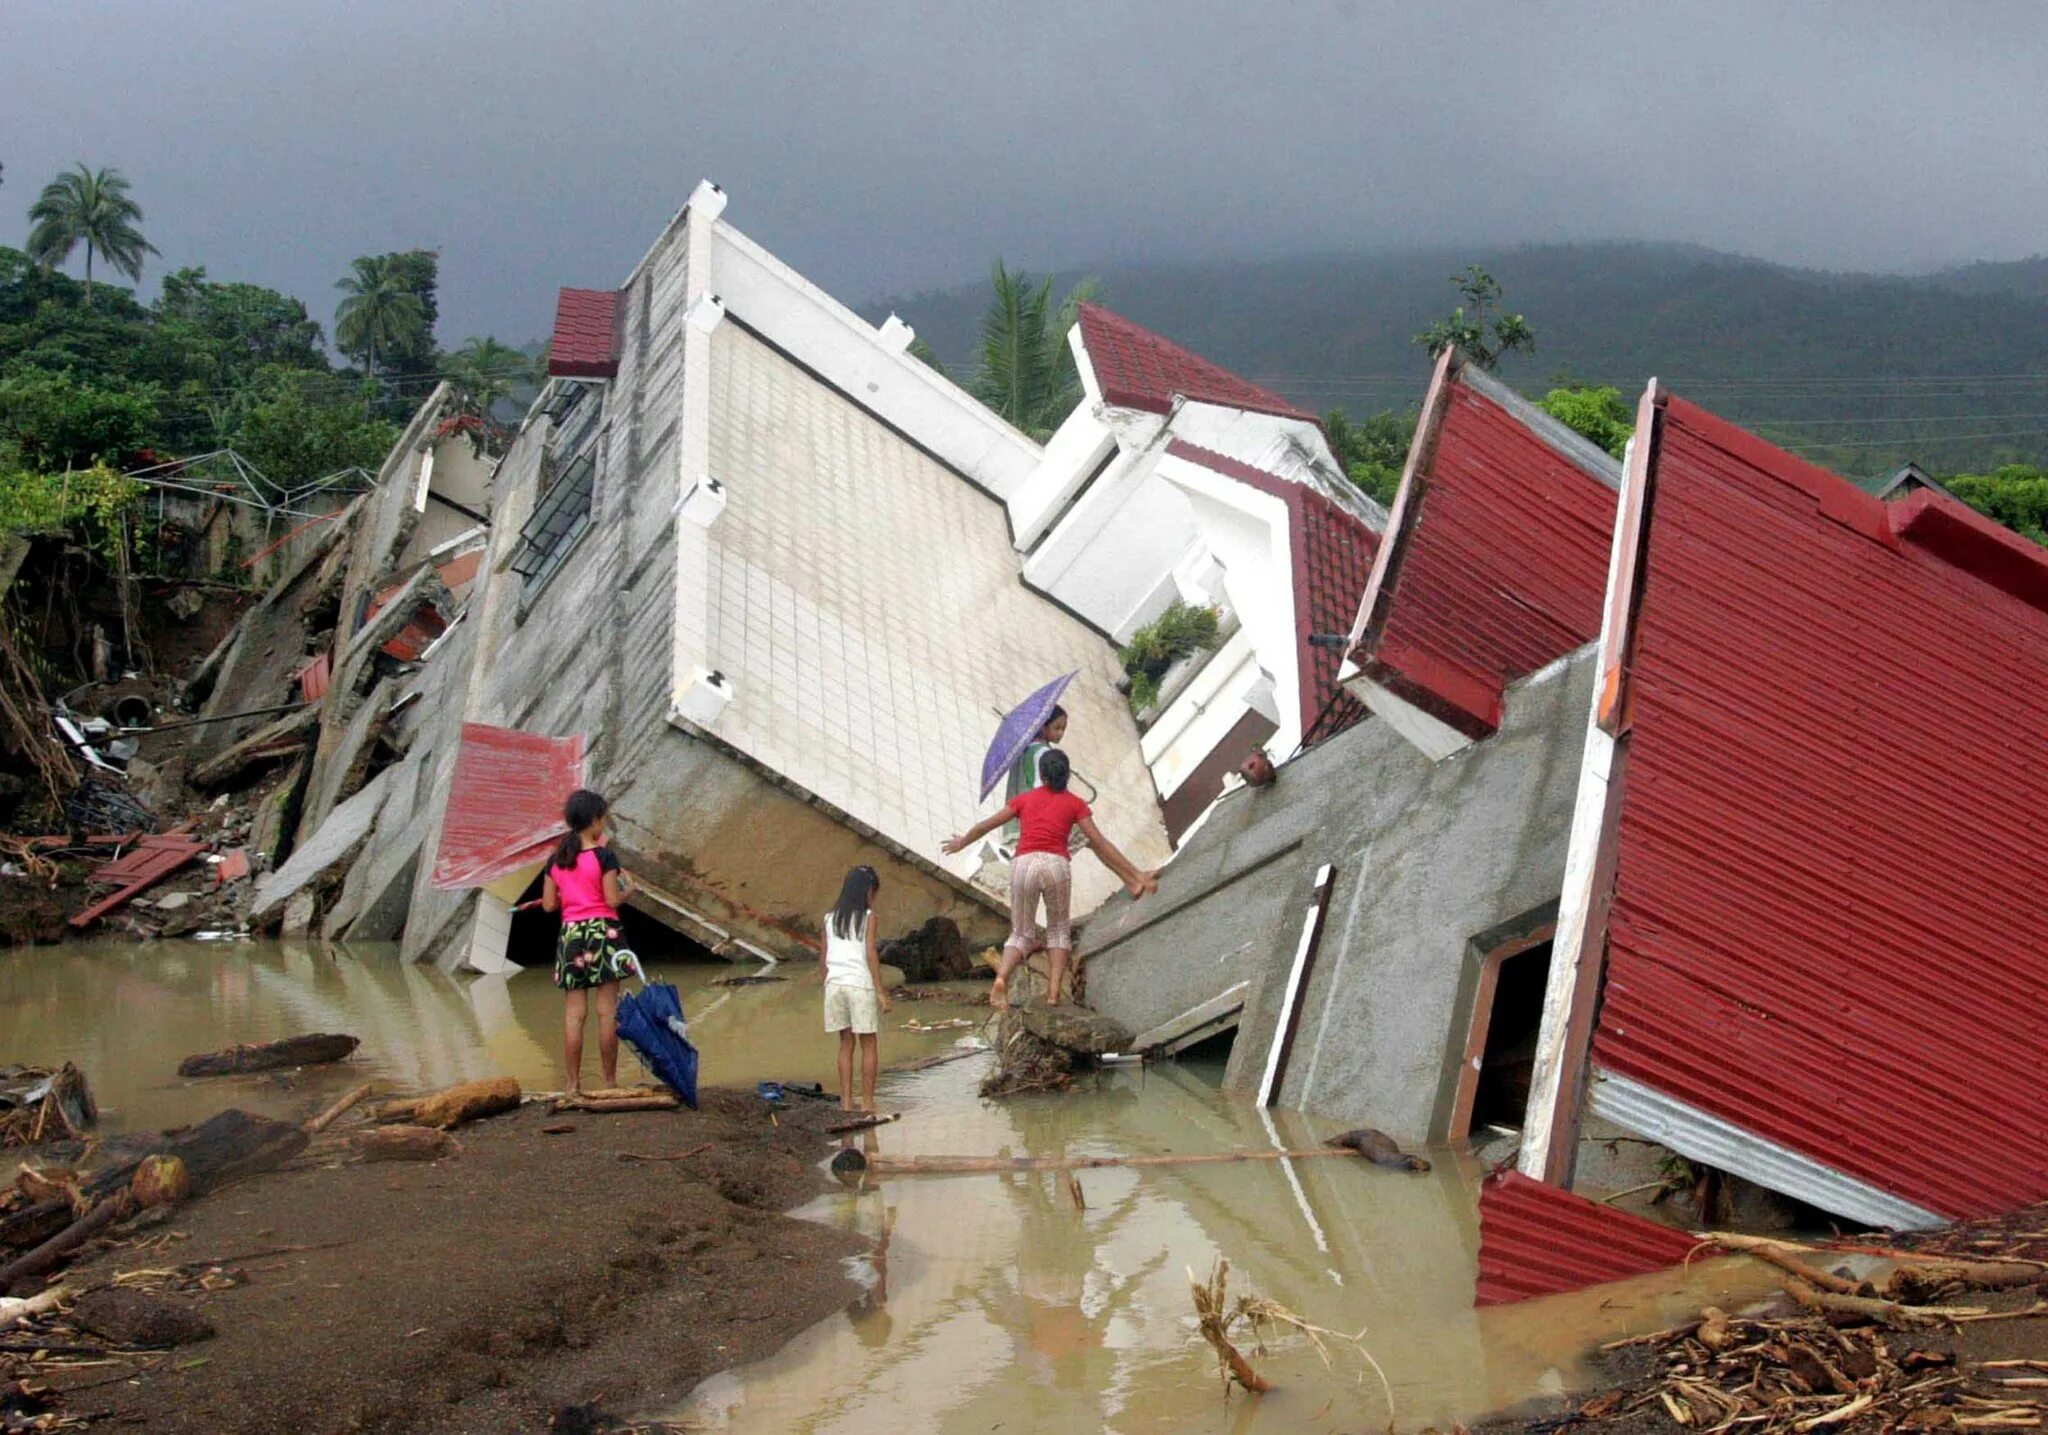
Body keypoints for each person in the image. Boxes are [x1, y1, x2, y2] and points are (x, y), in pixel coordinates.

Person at [943, 749, 1157, 1008]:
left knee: (1021, 933)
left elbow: (984, 826)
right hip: (1056, 865)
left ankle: (1001, 977)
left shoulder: (1024, 799)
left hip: (1024, 864)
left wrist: (962, 842)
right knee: (1057, 931)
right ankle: (1054, 993)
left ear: (1042, 776)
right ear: (1066, 776)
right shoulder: (1076, 804)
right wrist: (1136, 874)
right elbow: (1099, 841)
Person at [540, 789, 638, 1096]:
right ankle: (609, 1083)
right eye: (603, 818)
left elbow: (547, 906)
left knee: (574, 1015)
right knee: (607, 1011)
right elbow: (611, 898)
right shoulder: (604, 856)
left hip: (570, 936)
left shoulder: (555, 860)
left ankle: (572, 1085)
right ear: (594, 820)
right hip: (603, 934)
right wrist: (628, 892)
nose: (604, 824)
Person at [821, 864, 891, 1111]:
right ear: (868, 891)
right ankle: (868, 1103)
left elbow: (824, 956)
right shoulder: (869, 917)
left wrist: (826, 984)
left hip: (835, 985)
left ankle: (846, 1102)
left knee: (845, 1043)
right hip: (859, 984)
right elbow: (871, 953)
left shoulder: (829, 919)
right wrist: (881, 991)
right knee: (869, 1044)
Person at [1001, 705, 1068, 853]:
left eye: (1063, 729)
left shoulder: (1025, 746)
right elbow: (1043, 790)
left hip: (1015, 825)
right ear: (1043, 726)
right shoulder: (1042, 753)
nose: (1061, 733)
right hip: (1032, 826)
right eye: (1057, 728)